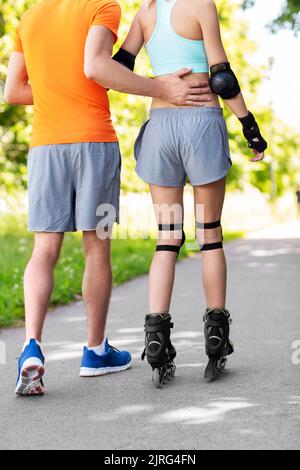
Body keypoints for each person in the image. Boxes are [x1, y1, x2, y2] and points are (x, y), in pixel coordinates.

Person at [4, 0, 211, 396]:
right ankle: (95, 352)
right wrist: (161, 86)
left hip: (45, 147)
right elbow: (96, 67)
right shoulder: (101, 6)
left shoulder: (29, 17)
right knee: (96, 249)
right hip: (92, 144)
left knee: (43, 250)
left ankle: (31, 346)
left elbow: (14, 91)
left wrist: (55, 91)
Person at [114, 0, 268, 386]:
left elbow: (117, 68)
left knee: (167, 238)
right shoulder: (200, 5)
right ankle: (216, 338)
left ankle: (155, 341)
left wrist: (155, 86)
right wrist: (249, 125)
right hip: (200, 122)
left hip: (161, 125)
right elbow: (222, 78)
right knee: (209, 234)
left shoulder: (145, 14)